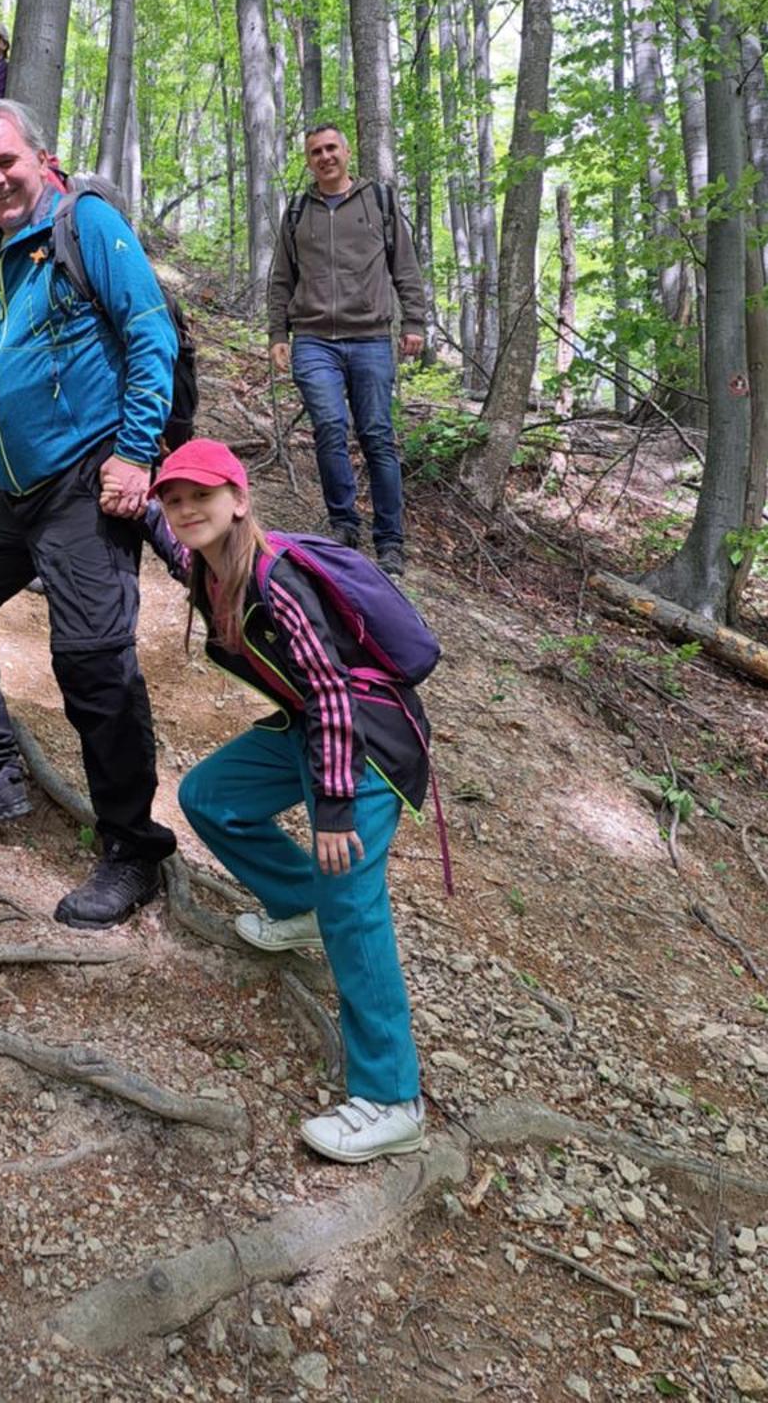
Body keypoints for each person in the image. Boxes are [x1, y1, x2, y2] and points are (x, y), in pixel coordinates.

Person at [0, 97, 178, 928]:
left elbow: (149, 333)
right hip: (20, 492)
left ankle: (134, 849)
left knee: (94, 661)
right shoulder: (1, 256)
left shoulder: (85, 222)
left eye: (7, 162)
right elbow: (41, 354)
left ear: (39, 157)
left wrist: (135, 454)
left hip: (88, 477)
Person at [148, 437, 430, 1164]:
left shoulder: (274, 582)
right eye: (173, 500)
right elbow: (166, 540)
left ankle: (392, 1098)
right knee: (210, 795)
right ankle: (296, 905)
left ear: (238, 500)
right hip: (310, 729)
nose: (184, 511)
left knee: (354, 908)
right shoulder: (205, 563)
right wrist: (125, 498)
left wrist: (333, 811)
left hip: (360, 743)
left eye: (200, 497)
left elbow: (334, 691)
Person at [266, 123, 426, 579]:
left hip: (371, 337)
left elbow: (405, 267)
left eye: (331, 148)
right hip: (313, 338)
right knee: (330, 428)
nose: (325, 157)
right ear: (308, 159)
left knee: (377, 435)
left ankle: (390, 541)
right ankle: (343, 525)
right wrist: (278, 333)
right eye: (316, 151)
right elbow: (281, 278)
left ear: (347, 151)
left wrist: (413, 320)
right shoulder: (298, 211)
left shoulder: (379, 201)